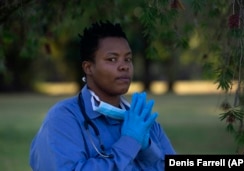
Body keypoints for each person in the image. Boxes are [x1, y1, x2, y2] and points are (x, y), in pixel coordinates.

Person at [29, 20, 176, 171]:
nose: (124, 66)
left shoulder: (142, 121)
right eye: (112, 59)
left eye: (128, 59)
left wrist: (148, 150)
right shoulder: (63, 118)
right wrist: (129, 142)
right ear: (88, 68)